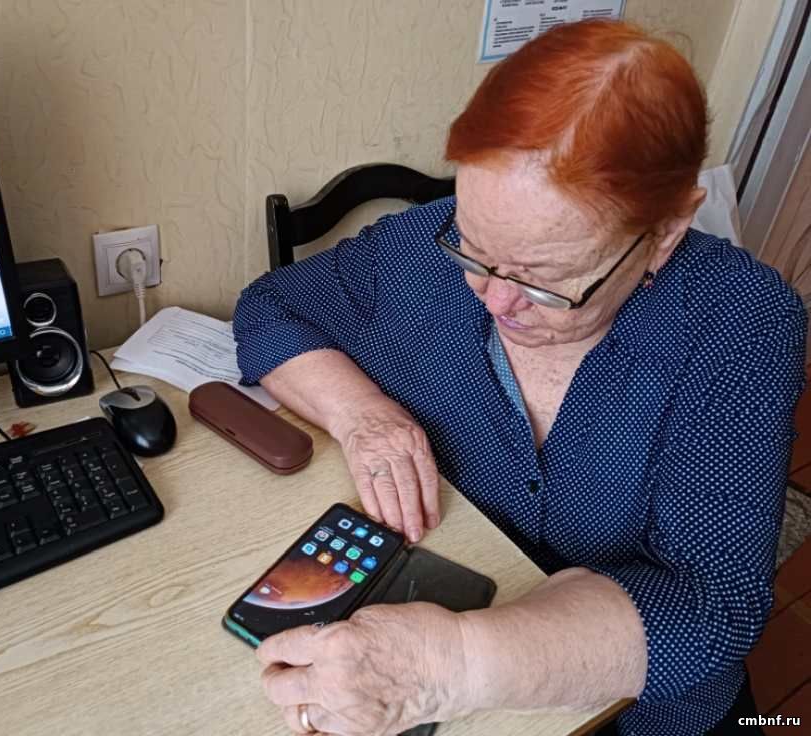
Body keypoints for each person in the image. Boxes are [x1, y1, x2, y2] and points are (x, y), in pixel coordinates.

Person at [233, 18, 807, 736]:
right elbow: (270, 308)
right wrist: (361, 413)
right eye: (475, 251)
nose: (496, 300)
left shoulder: (742, 321)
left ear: (663, 233)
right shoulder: (424, 246)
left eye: (544, 280)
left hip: (632, 709)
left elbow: (707, 608)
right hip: (458, 613)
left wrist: (449, 664)